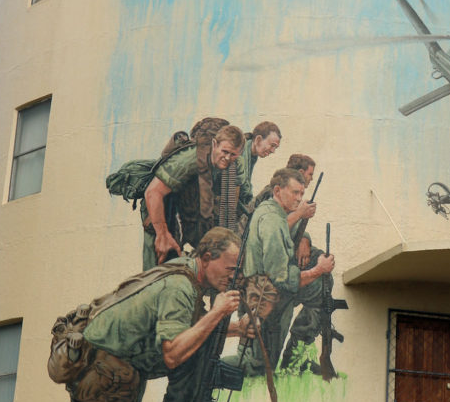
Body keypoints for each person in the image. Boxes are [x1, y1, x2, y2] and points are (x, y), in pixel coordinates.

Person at [0, 228, 251, 402]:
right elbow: (172, 353)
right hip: (101, 371)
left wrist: (236, 328)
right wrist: (217, 313)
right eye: (230, 269)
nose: (233, 277)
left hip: (117, 369)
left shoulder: (183, 274)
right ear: (206, 258)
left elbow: (185, 329)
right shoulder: (179, 288)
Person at [242, 167, 334, 375]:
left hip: (271, 294)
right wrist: (318, 270)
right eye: (295, 193)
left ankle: (295, 354)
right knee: (258, 367)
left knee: (321, 289)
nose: (299, 199)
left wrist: (307, 241)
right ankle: (213, 372)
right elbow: (281, 279)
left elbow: (292, 233)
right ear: (277, 191)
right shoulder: (272, 221)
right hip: (265, 298)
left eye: (302, 193)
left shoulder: (274, 212)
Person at [141, 123, 252, 269]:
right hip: (160, 202)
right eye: (224, 151)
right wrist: (162, 234)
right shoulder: (188, 160)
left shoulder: (236, 165)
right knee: (162, 256)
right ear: (214, 144)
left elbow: (234, 199)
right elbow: (153, 192)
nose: (227, 157)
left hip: (195, 200)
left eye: (233, 154)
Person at [239, 121, 282, 191]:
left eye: (275, 148)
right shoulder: (240, 153)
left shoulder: (252, 154)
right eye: (272, 145)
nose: (273, 151)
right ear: (258, 140)